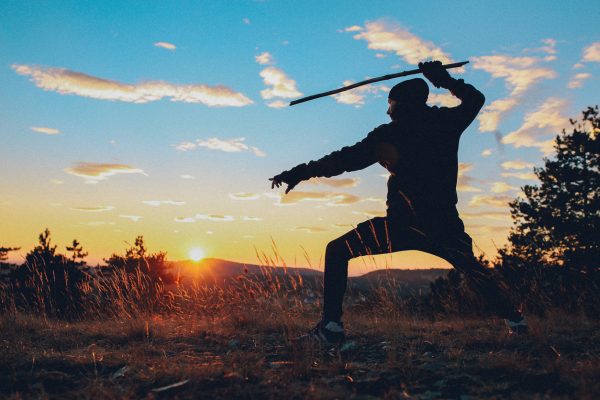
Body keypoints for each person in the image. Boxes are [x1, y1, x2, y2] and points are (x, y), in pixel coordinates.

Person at [270, 61, 527, 344]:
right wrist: (444, 79)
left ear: (401, 104)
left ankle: (331, 327)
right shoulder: (445, 123)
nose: (387, 110)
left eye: (390, 104)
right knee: (474, 271)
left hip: (403, 224)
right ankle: (516, 321)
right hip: (444, 223)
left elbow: (343, 160)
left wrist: (300, 172)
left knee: (337, 250)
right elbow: (475, 99)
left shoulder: (389, 134)